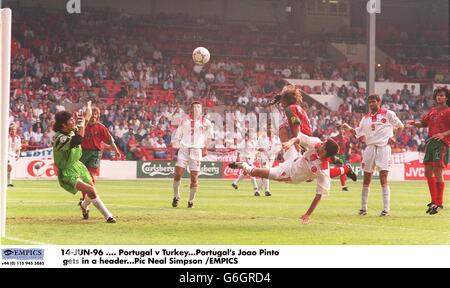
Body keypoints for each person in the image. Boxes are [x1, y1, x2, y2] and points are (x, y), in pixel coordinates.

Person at [229, 133, 340, 224]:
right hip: (295, 159)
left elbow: (318, 195)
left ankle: (243, 165)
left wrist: (308, 214)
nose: (321, 143)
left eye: (324, 144)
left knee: (258, 173)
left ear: (325, 151)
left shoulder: (323, 170)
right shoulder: (316, 143)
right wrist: (290, 142)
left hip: (290, 174)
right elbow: (299, 138)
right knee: (284, 131)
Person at [342, 94, 404, 217]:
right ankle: (363, 208)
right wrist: (348, 128)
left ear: (379, 102)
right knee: (366, 178)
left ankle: (386, 209)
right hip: (369, 148)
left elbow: (400, 126)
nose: (371, 104)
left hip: (383, 148)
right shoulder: (365, 118)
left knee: (383, 178)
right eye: (369, 102)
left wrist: (394, 137)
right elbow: (358, 132)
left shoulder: (388, 114)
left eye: (373, 102)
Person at [52, 103, 116, 223]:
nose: (73, 122)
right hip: (67, 171)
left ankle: (84, 205)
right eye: (71, 120)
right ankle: (109, 216)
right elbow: (78, 139)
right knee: (90, 190)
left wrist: (88, 108)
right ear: (63, 125)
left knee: (91, 188)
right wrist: (83, 121)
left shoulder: (71, 130)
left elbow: (84, 124)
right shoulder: (60, 138)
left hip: (77, 165)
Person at [407, 87, 450, 215]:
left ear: (446, 97)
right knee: (427, 172)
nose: (439, 97)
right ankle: (433, 201)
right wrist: (415, 123)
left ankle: (439, 203)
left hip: (441, 144)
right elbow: (424, 123)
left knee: (438, 172)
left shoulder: (448, 111)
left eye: (442, 95)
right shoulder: (432, 111)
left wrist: (443, 134)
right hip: (431, 143)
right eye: (437, 95)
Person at [171, 101, 213, 208]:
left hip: (196, 151)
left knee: (194, 177)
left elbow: (209, 137)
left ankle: (191, 201)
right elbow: (178, 133)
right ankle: (176, 196)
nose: (197, 109)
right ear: (191, 109)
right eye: (195, 107)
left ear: (201, 109)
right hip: (184, 149)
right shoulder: (184, 120)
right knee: (177, 174)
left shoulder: (206, 122)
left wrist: (205, 147)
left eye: (199, 107)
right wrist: (175, 141)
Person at [81, 106, 122, 184]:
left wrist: (117, 151)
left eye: (95, 114)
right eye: (92, 114)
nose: (93, 115)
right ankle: (85, 195)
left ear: (98, 116)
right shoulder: (83, 126)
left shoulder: (101, 127)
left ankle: (92, 194)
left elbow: (110, 140)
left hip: (95, 153)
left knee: (91, 174)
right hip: (83, 152)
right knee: (83, 175)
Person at [255, 126, 281, 196]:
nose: (270, 130)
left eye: (271, 129)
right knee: (267, 173)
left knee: (264, 174)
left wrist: (276, 151)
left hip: (271, 158)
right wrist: (262, 149)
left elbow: (279, 147)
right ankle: (267, 190)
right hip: (264, 157)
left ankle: (257, 190)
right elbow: (256, 147)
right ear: (266, 130)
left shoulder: (276, 138)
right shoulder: (261, 138)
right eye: (269, 129)